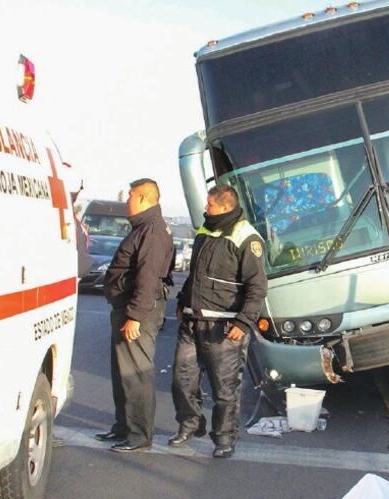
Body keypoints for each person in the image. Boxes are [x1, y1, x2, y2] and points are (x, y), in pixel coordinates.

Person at [169, 184, 267, 458]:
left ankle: (224, 438)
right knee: (182, 379)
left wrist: (243, 322)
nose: (205, 209)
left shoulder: (247, 237)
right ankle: (190, 425)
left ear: (225, 207)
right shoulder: (204, 231)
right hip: (192, 322)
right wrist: (181, 302)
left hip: (224, 328)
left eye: (209, 205)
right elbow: (195, 276)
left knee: (224, 389)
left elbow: (257, 287)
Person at [95, 178, 174, 452]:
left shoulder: (151, 231)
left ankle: (139, 436)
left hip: (137, 311)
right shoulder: (144, 228)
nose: (126, 200)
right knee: (122, 373)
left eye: (130, 195)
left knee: (135, 374)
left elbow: (148, 278)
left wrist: (136, 316)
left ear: (143, 198)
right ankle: (124, 427)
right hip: (127, 308)